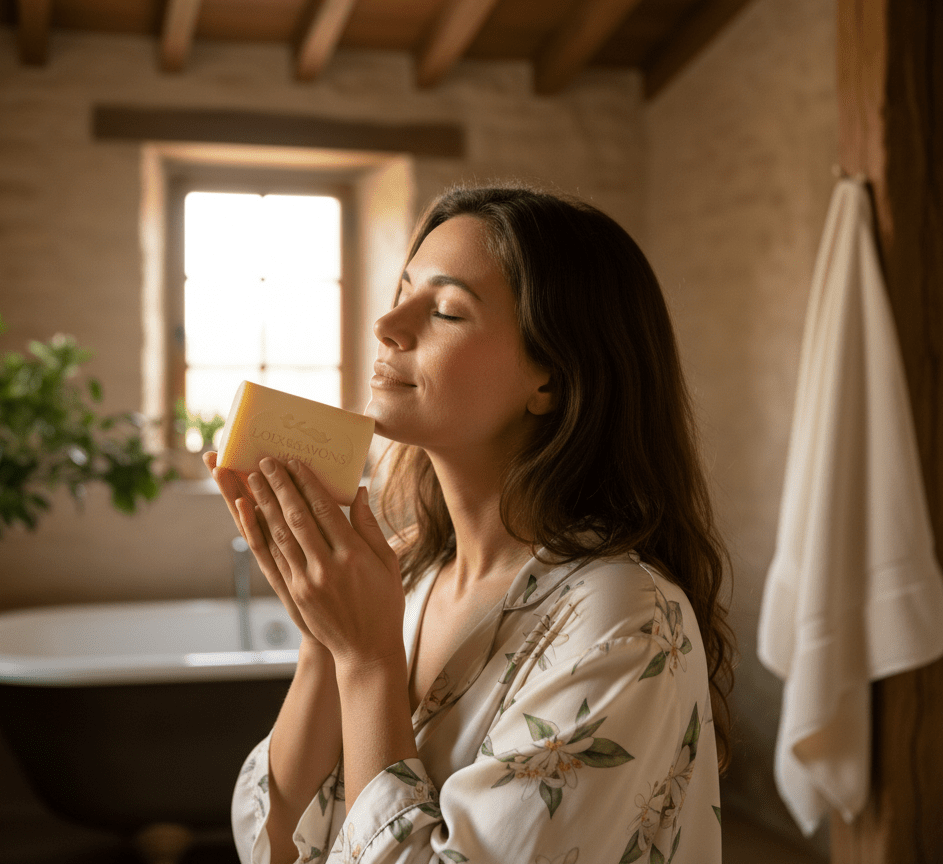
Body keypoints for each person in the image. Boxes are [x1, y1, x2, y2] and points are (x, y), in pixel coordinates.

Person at [206, 184, 735, 864]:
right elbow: (270, 850)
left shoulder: (624, 618)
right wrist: (325, 642)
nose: (388, 323)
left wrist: (367, 663)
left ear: (551, 377)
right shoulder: (408, 574)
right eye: (403, 290)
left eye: (447, 310)